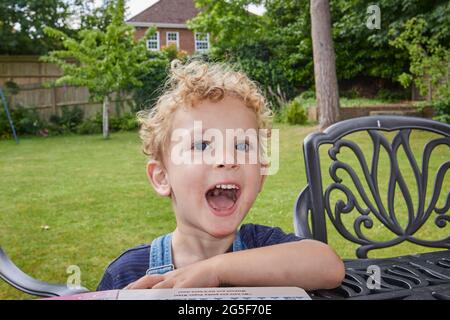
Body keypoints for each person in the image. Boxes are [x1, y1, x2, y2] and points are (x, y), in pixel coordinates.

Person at [97, 60, 345, 291]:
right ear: (162, 177)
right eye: (202, 145)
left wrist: (216, 270)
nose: (227, 158)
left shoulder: (265, 245)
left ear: (261, 176)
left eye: (242, 146)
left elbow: (328, 266)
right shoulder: (126, 275)